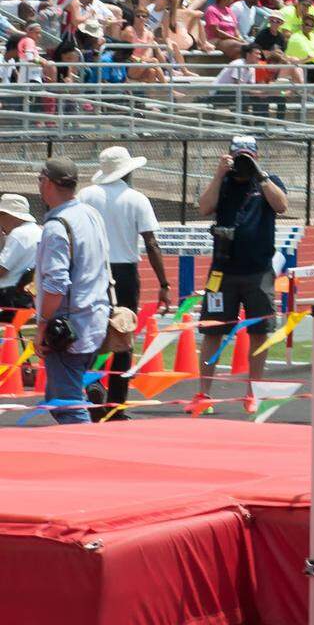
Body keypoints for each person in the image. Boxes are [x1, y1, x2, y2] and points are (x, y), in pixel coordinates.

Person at [191, 136, 288, 413]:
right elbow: (204, 207)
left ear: (257, 157)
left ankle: (252, 392)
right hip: (222, 272)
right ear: (230, 157)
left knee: (259, 331)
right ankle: (204, 392)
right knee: (212, 331)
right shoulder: (222, 182)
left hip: (259, 271)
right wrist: (218, 174)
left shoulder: (268, 181)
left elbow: (281, 206)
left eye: (248, 157)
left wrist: (261, 176)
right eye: (239, 157)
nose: (244, 162)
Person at [78, 146, 171, 419]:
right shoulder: (136, 199)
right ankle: (116, 405)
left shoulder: (86, 195)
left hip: (94, 269)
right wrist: (164, 284)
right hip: (125, 273)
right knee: (123, 336)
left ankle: (92, 384)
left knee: (93, 332)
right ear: (127, 171)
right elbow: (151, 243)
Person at [33, 158, 111, 425]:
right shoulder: (90, 214)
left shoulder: (57, 226)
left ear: (48, 182)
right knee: (58, 399)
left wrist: (42, 325)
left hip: (68, 327)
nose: (39, 185)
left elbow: (56, 284)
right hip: (93, 317)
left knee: (66, 404)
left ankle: (88, 445)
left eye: (40, 180)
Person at [0, 193, 41, 323]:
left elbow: (1, 270)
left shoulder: (18, 234)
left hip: (8, 297)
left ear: (9, 216)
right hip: (29, 296)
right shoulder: (39, 232)